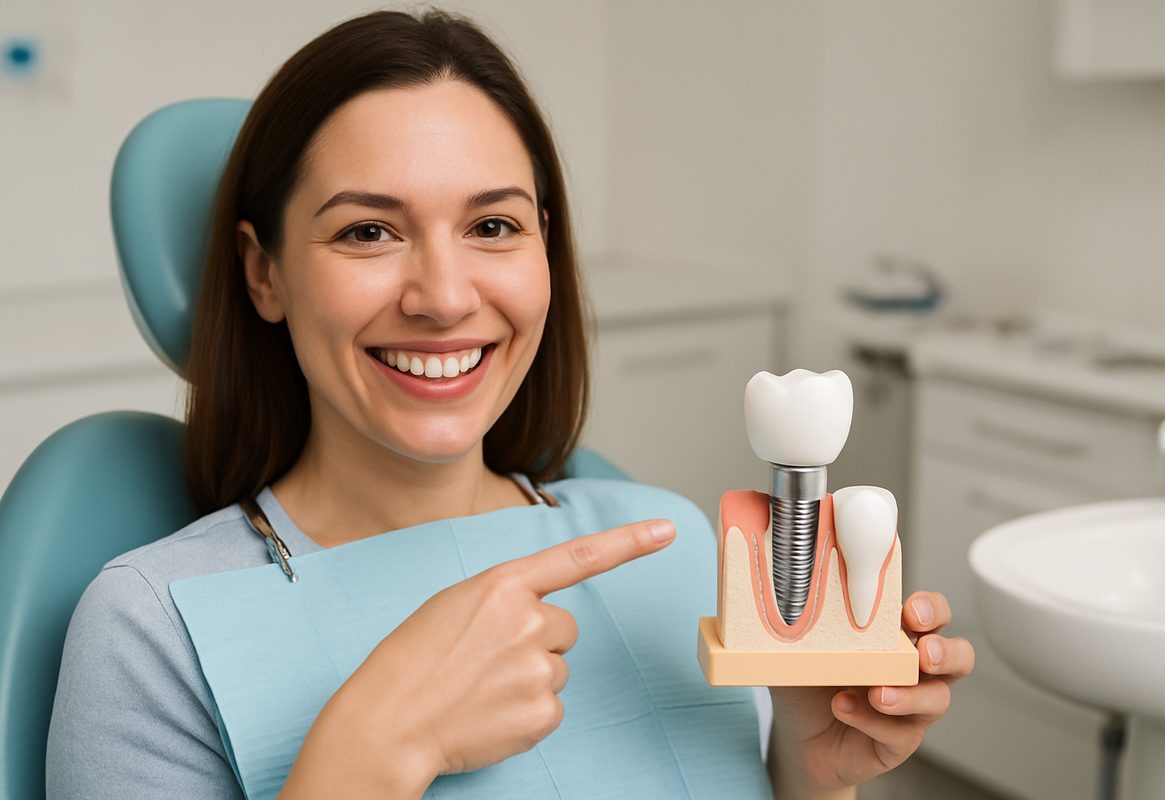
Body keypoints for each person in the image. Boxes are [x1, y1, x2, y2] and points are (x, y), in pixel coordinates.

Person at [46, 9, 974, 799]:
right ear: (264, 273)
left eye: (493, 226)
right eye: (369, 231)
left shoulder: (675, 540)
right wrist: (374, 750)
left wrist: (810, 775)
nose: (444, 297)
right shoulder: (147, 629)